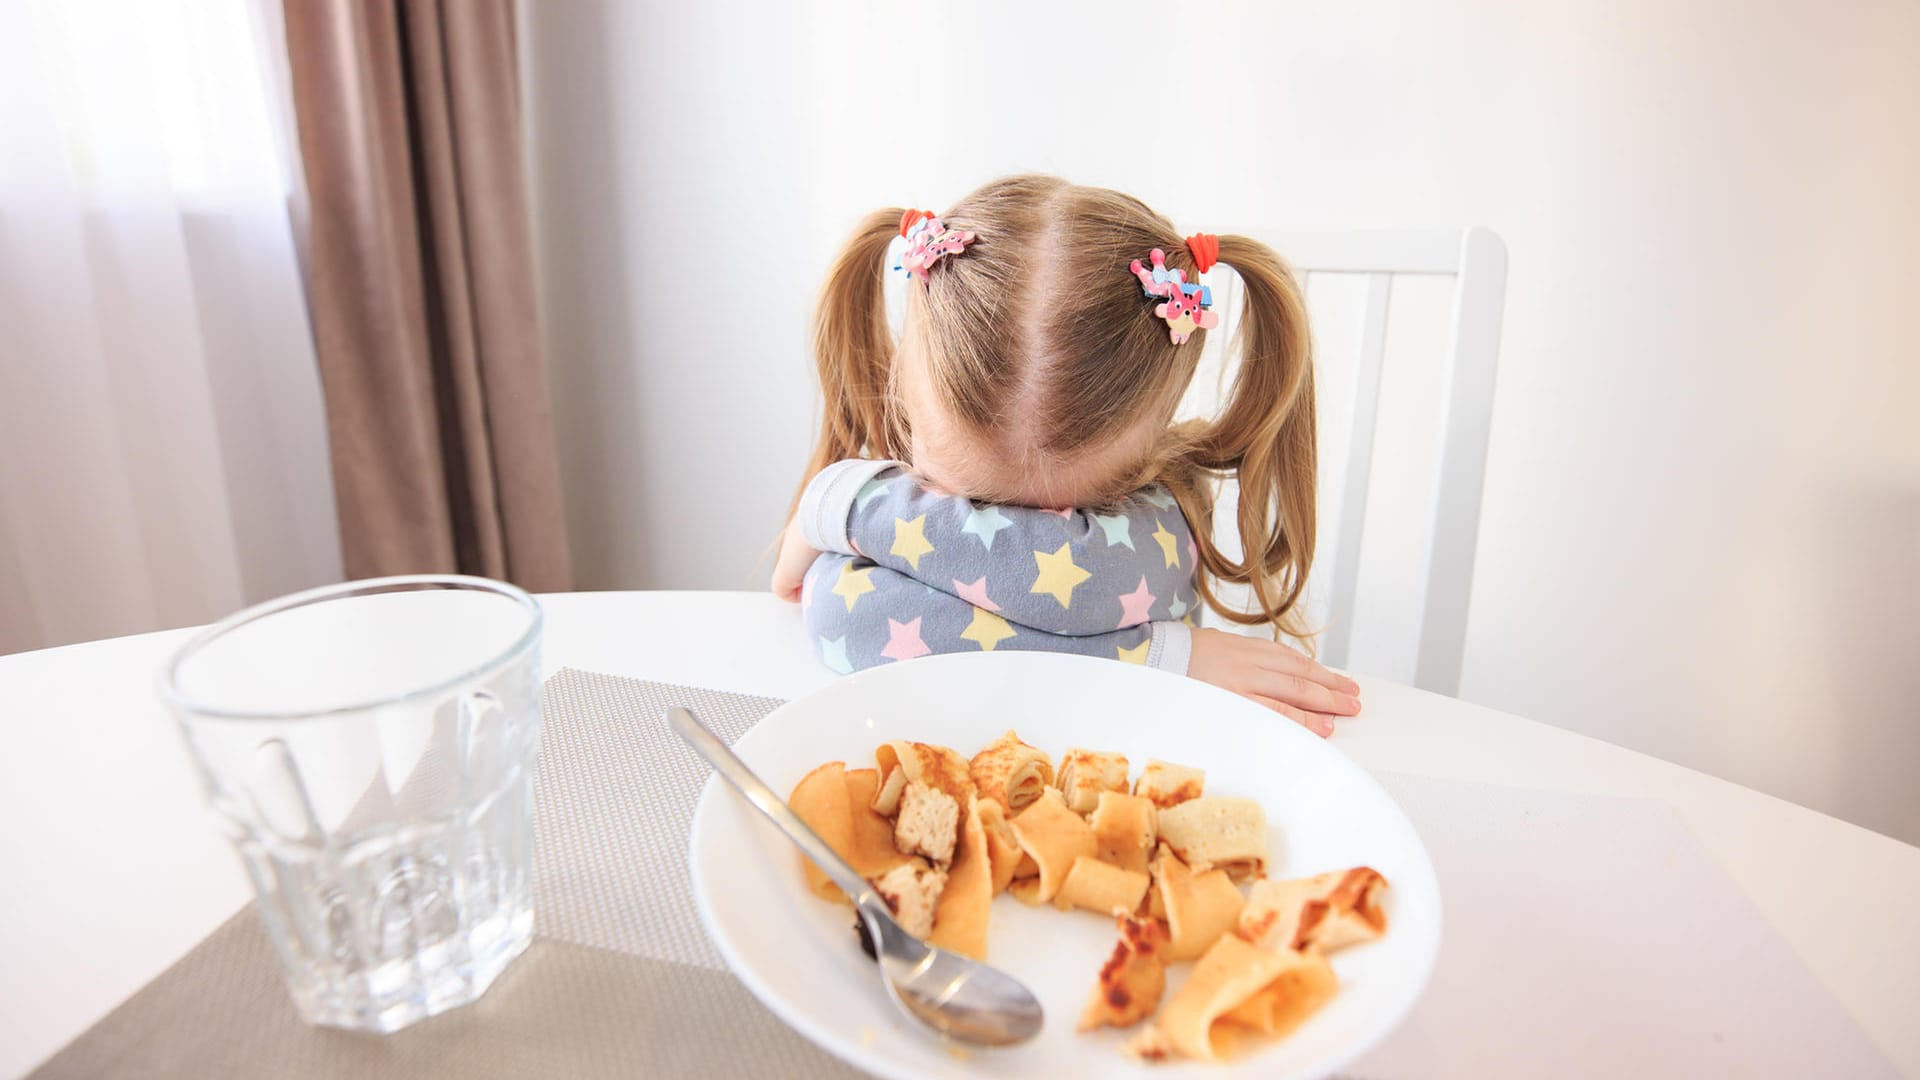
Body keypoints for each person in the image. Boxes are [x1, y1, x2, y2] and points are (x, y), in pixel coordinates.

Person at [771, 176, 1360, 736]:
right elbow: (845, 621)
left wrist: (849, 502)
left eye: (1063, 522)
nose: (1016, 540)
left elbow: (845, 617)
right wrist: (1155, 655)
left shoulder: (1171, 510)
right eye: (975, 506)